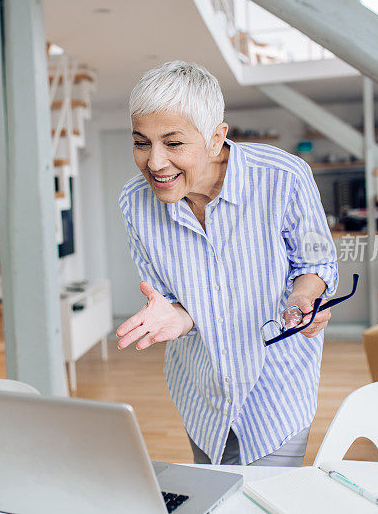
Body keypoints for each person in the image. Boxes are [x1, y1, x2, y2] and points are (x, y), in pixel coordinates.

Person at [116, 61, 338, 467]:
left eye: (173, 143)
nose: (155, 162)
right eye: (142, 142)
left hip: (277, 387)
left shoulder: (284, 177)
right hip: (202, 388)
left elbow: (316, 261)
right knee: (217, 497)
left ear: (217, 138)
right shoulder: (135, 203)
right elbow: (167, 299)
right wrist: (178, 317)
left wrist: (304, 297)